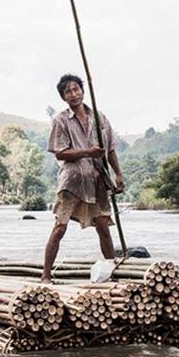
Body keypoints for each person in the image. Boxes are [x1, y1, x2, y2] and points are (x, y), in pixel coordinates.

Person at [41, 73, 125, 283]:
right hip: (72, 182)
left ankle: (110, 273)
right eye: (68, 91)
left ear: (83, 90)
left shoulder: (99, 117)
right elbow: (60, 153)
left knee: (104, 227)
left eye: (76, 89)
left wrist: (118, 174)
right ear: (63, 97)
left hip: (97, 180)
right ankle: (45, 275)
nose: (73, 94)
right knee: (60, 226)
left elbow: (110, 149)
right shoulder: (61, 120)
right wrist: (88, 152)